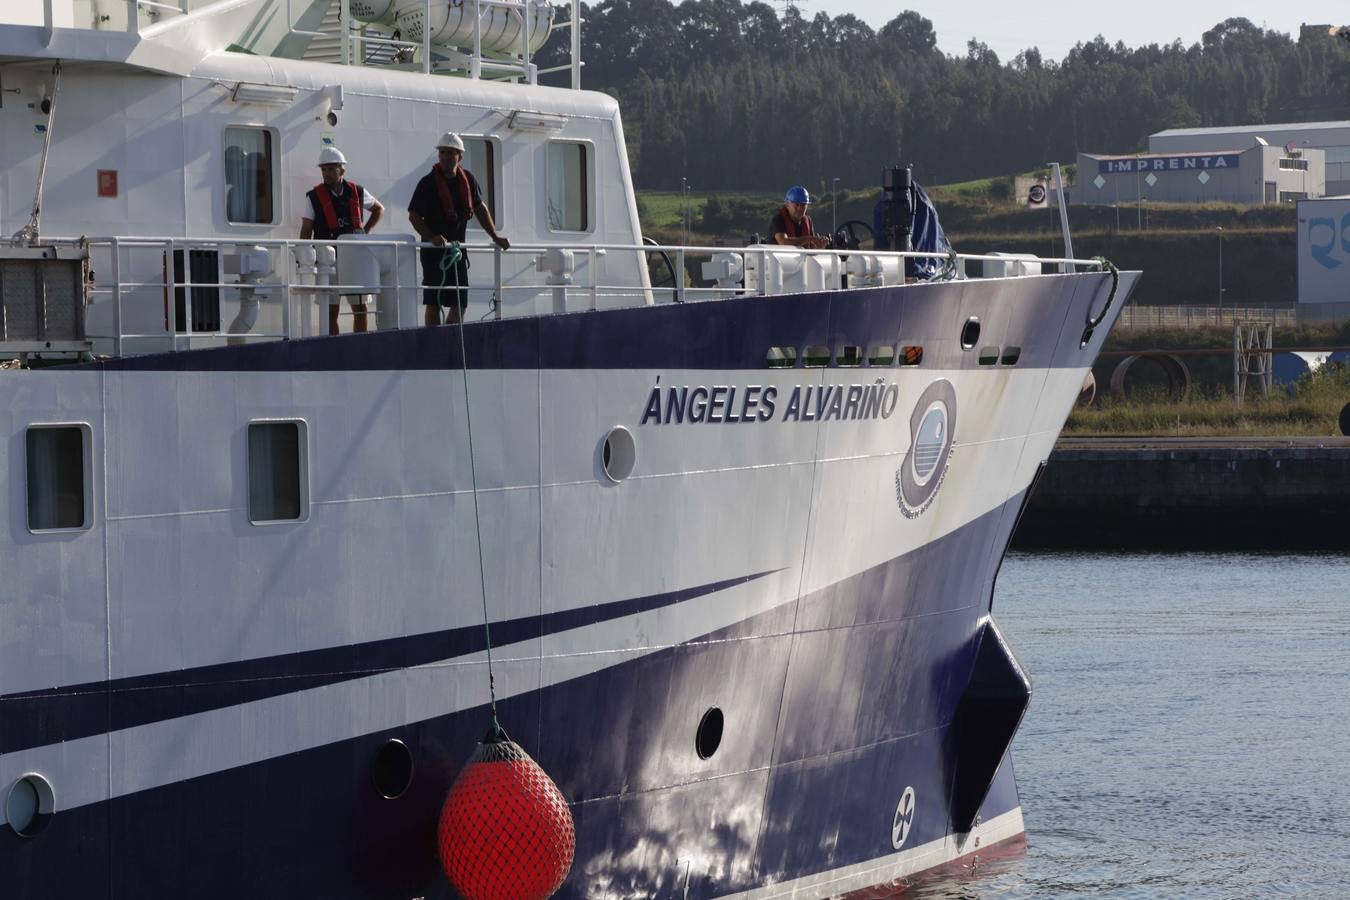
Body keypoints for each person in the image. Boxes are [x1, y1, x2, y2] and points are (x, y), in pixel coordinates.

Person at [407, 133, 510, 325]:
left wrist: (495, 235)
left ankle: (450, 339)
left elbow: (479, 207)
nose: (446, 156)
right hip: (433, 252)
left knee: (460, 302)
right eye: (443, 152)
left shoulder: (468, 180)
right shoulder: (427, 183)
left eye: (451, 153)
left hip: (457, 251)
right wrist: (430, 237)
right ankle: (434, 341)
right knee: (434, 302)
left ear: (459, 156)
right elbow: (413, 216)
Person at [299, 146, 385, 335]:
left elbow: (379, 209)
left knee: (360, 310)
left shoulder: (358, 192)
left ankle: (360, 347)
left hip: (355, 258)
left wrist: (366, 230)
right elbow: (306, 228)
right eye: (324, 169)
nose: (326, 173)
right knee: (331, 312)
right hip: (327, 260)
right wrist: (303, 252)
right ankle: (333, 349)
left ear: (342, 170)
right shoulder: (313, 197)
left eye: (331, 169)